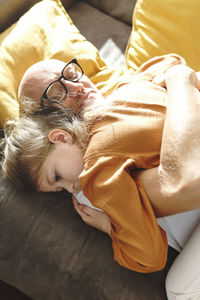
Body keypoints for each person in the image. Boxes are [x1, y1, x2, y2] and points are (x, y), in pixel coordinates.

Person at [1, 55, 200, 277]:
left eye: (71, 74)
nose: (77, 87)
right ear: (54, 119)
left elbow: (148, 257)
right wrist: (177, 79)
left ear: (59, 136)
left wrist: (110, 227)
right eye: (58, 93)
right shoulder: (93, 167)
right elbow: (172, 63)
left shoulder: (125, 89)